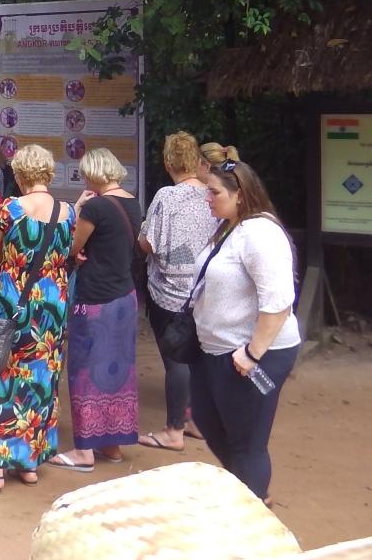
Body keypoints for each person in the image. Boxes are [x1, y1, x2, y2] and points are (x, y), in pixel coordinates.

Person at [0, 144, 76, 493]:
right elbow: (67, 252)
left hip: (13, 301)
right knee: (41, 380)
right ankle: (29, 463)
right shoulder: (68, 212)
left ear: (19, 173)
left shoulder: (10, 209)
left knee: (0, 375)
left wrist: (16, 261)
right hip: (52, 305)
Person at [192, 158, 301, 500]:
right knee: (207, 419)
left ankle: (255, 503)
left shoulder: (260, 233)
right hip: (217, 348)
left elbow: (278, 301)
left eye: (214, 192)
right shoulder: (230, 226)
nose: (207, 198)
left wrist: (253, 353)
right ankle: (244, 493)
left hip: (250, 354)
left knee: (247, 441)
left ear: (239, 194)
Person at [50, 147, 143, 471]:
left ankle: (84, 451)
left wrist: (77, 210)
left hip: (95, 298)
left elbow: (71, 246)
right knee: (117, 372)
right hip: (124, 296)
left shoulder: (96, 206)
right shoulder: (132, 202)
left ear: (94, 173)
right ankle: (111, 444)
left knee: (85, 371)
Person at [137, 132, 219, 452]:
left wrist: (142, 239)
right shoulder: (212, 193)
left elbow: (148, 243)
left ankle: (174, 430)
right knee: (199, 357)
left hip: (170, 293)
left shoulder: (167, 196)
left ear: (169, 162)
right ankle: (196, 420)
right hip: (205, 288)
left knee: (176, 361)